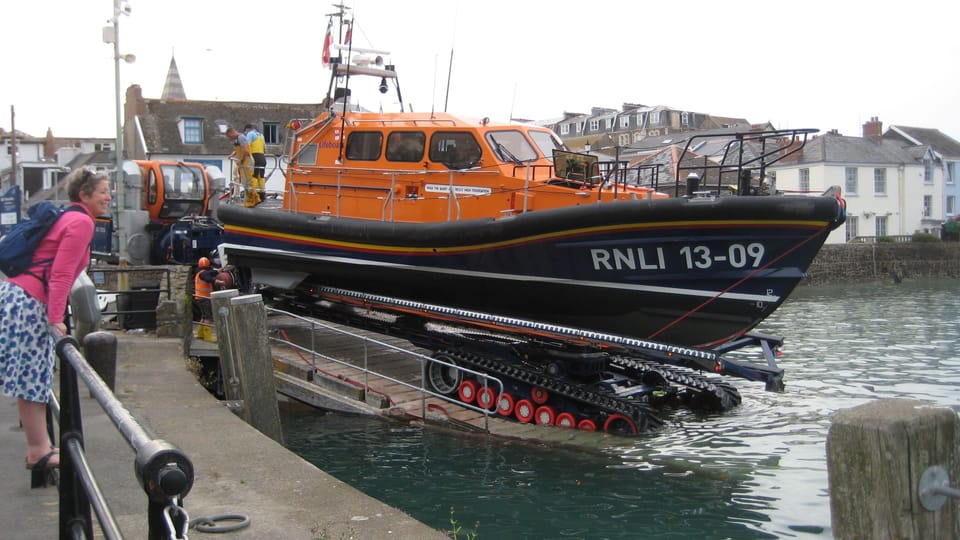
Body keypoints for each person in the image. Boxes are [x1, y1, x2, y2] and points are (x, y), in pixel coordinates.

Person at [0, 168, 111, 481]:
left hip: (20, 296)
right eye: (103, 190)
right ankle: (38, 449)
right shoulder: (80, 222)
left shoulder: (70, 218)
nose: (108, 196)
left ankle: (40, 446)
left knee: (32, 376)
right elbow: (61, 274)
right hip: (29, 303)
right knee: (32, 375)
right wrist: (55, 318)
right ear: (84, 195)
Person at [226, 127, 257, 207]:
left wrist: (241, 160)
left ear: (232, 133)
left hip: (246, 162)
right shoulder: (237, 139)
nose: (230, 138)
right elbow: (238, 150)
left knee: (248, 181)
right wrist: (233, 154)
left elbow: (246, 150)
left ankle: (252, 200)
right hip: (243, 163)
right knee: (244, 181)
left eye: (230, 136)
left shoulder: (241, 138)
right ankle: (252, 199)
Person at [193, 256, 219, 339]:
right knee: (208, 317)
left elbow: (211, 273)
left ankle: (200, 334)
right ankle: (207, 336)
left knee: (204, 316)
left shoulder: (199, 273)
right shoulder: (204, 274)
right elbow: (209, 278)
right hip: (204, 298)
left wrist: (218, 271)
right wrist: (217, 281)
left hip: (199, 298)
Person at [244, 124, 267, 203]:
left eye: (245, 131)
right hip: (262, 157)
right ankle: (262, 194)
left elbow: (247, 146)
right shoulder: (261, 135)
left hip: (255, 157)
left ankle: (254, 194)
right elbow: (264, 148)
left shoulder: (250, 134)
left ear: (248, 129)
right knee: (261, 176)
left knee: (254, 176)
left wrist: (245, 158)